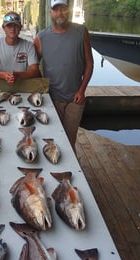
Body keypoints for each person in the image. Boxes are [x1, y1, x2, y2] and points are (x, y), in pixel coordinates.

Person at [34, 0, 94, 151]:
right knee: (50, 137)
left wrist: (82, 90)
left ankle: (70, 172)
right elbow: (33, 67)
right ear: (50, 13)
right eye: (56, 9)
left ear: (69, 11)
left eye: (63, 9)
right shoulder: (41, 37)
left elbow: (89, 63)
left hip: (75, 99)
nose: (60, 12)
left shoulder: (81, 32)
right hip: (52, 99)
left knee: (69, 140)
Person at [0, 11, 40, 85]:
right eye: (9, 26)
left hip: (22, 85)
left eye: (15, 26)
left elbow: (35, 70)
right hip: (1, 85)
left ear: (20, 27)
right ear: (3, 28)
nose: (12, 29)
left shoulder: (29, 46)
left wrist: (17, 75)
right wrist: (4, 75)